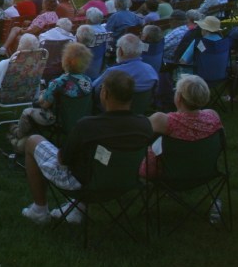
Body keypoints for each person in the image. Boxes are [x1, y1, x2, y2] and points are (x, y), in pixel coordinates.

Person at [20, 70, 153, 225]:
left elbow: (63, 159)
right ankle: (77, 209)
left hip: (87, 185)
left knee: (33, 141)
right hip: (126, 181)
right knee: (93, 162)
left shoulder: (88, 126)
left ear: (105, 93)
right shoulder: (145, 125)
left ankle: (39, 211)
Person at [9, 41, 93, 152]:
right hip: (79, 120)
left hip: (58, 120)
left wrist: (42, 95)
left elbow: (44, 104)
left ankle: (18, 135)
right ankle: (22, 134)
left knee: (27, 112)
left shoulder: (59, 83)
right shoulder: (88, 81)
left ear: (66, 61)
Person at [141, 75, 223, 179]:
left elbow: (136, 135)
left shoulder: (163, 120)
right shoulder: (213, 116)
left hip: (169, 175)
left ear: (179, 97)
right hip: (203, 171)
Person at [93, 33, 159, 94]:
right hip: (142, 106)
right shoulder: (150, 70)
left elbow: (94, 89)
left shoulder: (111, 72)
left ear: (121, 51)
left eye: (117, 47)